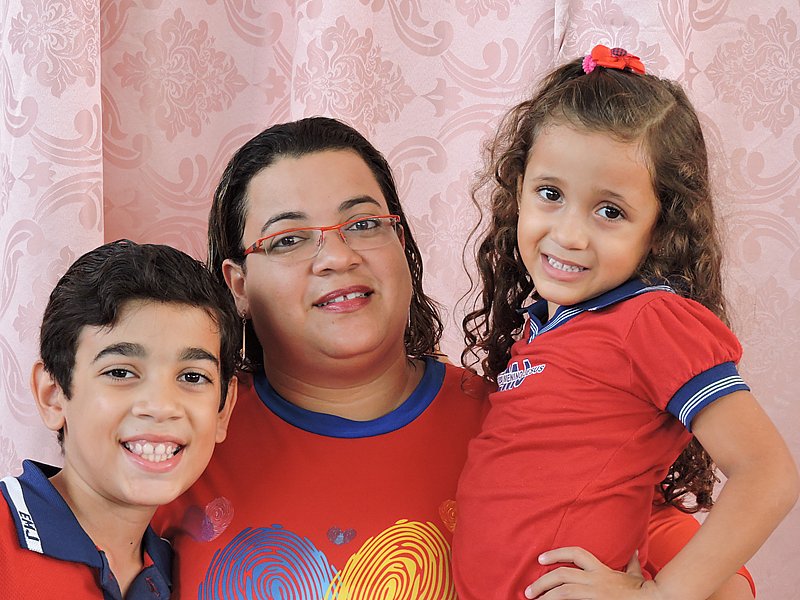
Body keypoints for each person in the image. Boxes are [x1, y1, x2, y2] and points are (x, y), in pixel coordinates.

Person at [155, 116, 759, 600]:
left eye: (363, 224)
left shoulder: (523, 419)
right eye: (288, 239)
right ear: (237, 284)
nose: (337, 257)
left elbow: (723, 580)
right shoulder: (184, 443)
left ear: (402, 244)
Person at [453, 44, 798, 600]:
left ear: (660, 228)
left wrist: (660, 596)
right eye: (550, 194)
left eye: (609, 211)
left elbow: (768, 471)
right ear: (518, 190)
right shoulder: (544, 325)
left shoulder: (650, 321)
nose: (569, 234)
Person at [0, 240, 240, 599]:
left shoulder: (185, 574)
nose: (161, 406)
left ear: (223, 410)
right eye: (120, 372)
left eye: (192, 376)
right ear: (53, 395)